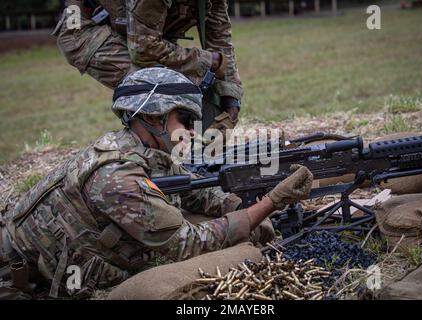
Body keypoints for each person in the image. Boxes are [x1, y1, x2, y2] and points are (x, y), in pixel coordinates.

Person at [0, 67, 313, 299]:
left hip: (67, 266)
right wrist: (269, 203)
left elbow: (197, 193)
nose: (192, 132)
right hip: (22, 285)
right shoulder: (116, 176)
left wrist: (239, 203)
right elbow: (186, 243)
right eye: (186, 122)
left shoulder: (138, 150)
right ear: (152, 117)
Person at [52, 0, 242, 133]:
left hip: (139, 34)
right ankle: (148, 160)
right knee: (161, 91)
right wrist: (207, 61)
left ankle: (196, 157)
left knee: (203, 91)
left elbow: (220, 40)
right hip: (84, 28)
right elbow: (143, 49)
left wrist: (231, 98)